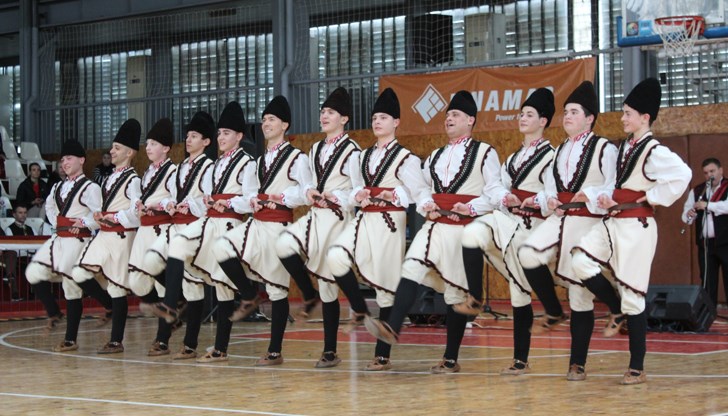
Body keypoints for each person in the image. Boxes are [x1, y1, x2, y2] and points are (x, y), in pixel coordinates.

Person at [367, 90, 507, 373]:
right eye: (447, 115)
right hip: (435, 226)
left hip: (463, 230)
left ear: (471, 120)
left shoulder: (485, 152)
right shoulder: (435, 156)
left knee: (455, 295)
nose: (449, 119)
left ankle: (450, 358)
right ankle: (392, 327)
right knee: (411, 268)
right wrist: (427, 205)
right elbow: (420, 190)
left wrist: (472, 207)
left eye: (455, 115)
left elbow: (493, 190)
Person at [571, 78, 691, 385]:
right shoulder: (625, 146)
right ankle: (615, 309)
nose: (623, 118)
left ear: (645, 117)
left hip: (637, 227)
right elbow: (615, 186)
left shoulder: (653, 151)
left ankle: (636, 367)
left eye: (628, 113)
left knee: (633, 296)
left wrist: (650, 197)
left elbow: (683, 174)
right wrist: (597, 195)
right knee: (580, 260)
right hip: (614, 221)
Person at [516, 81, 617, 382]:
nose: (568, 116)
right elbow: (550, 188)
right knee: (527, 253)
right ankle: (552, 309)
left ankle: (577, 363)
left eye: (574, 112)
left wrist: (591, 194)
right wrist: (547, 200)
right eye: (566, 112)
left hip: (588, 220)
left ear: (590, 118)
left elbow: (613, 185)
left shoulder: (605, 148)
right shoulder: (559, 150)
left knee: (579, 296)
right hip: (560, 219)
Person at [456, 87, 556, 376]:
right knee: (475, 235)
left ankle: (522, 356)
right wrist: (500, 198)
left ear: (543, 121)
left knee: (520, 290)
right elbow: (493, 188)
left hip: (535, 228)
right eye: (521, 114)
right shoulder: (512, 158)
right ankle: (477, 298)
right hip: (510, 222)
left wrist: (533, 199)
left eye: (529, 114)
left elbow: (553, 193)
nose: (522, 118)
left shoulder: (552, 156)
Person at [327, 88, 427, 371]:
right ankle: (359, 308)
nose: (377, 122)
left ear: (396, 122)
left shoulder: (406, 158)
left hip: (390, 222)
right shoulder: (361, 156)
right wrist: (357, 195)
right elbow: (353, 189)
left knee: (385, 288)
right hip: (364, 218)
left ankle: (382, 354)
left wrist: (392, 194)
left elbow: (418, 192)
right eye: (374, 118)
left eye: (383, 117)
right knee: (336, 256)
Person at [151, 102, 256, 363]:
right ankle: (173, 306)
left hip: (229, 224)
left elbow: (250, 199)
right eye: (219, 133)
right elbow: (203, 200)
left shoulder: (247, 162)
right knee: (179, 249)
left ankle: (221, 347)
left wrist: (228, 203)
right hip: (208, 222)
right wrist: (200, 203)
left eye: (226, 133)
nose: (221, 137)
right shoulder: (217, 164)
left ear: (239, 136)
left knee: (223, 286)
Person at [214, 95, 312, 366]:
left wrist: (280, 197)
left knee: (277, 290)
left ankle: (274, 351)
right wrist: (242, 201)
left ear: (285, 125)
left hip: (279, 226)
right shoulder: (258, 162)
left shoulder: (297, 157)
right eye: (264, 119)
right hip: (256, 224)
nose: (266, 123)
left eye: (272, 119)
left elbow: (305, 191)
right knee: (222, 247)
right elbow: (247, 195)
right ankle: (249, 295)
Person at [275, 87, 363, 368]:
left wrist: (338, 197)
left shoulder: (353, 151)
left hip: (337, 218)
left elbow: (358, 191)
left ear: (344, 119)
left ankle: (330, 350)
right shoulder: (314, 149)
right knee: (283, 244)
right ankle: (308, 293)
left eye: (331, 112)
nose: (324, 116)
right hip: (316, 216)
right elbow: (306, 186)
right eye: (323, 111)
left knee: (328, 286)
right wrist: (310, 192)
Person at [140, 111, 215, 360]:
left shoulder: (209, 167)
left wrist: (189, 205)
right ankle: (174, 304)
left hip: (194, 227)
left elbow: (207, 200)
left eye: (194, 136)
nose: (189, 140)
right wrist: (170, 204)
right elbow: (172, 195)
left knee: (194, 288)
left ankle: (187, 343)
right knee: (151, 260)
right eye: (188, 136)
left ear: (206, 141)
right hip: (175, 227)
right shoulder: (181, 167)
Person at [24, 139, 109, 350]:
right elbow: (50, 207)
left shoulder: (90, 187)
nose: (65, 163)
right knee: (33, 272)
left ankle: (74, 335)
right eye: (62, 160)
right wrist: (58, 223)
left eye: (69, 158)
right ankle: (55, 313)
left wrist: (83, 223)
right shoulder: (57, 186)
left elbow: (98, 215)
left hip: (79, 239)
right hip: (59, 238)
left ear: (82, 160)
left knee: (71, 283)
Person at [71, 119, 142, 354]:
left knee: (118, 287)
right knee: (80, 272)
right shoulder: (109, 177)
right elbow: (102, 210)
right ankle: (110, 306)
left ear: (129, 153)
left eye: (117, 148)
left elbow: (136, 214)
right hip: (104, 235)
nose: (111, 151)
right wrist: (90, 219)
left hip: (121, 237)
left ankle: (116, 340)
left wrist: (115, 217)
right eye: (112, 147)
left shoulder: (133, 180)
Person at [125, 118, 178, 356]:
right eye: (147, 143)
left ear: (166, 148)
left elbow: (175, 199)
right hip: (144, 231)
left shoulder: (172, 171)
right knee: (136, 280)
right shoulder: (146, 173)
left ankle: (162, 338)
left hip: (161, 230)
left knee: (160, 282)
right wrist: (139, 205)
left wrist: (159, 205)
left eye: (154, 143)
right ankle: (175, 309)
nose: (148, 147)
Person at [682, 158, 728, 309]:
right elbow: (685, 216)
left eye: (712, 171)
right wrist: (689, 215)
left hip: (726, 242)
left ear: (721, 170)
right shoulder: (697, 191)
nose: (709, 175)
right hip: (706, 244)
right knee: (708, 280)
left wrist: (708, 205)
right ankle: (708, 313)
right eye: (706, 173)